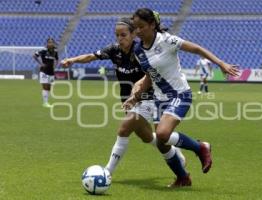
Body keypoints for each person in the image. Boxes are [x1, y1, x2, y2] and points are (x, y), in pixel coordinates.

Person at [60, 18, 188, 186]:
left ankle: (107, 173)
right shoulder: (114, 50)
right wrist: (73, 60)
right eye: (117, 35)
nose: (120, 38)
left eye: (123, 35)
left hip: (149, 97)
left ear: (134, 34)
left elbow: (151, 73)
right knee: (147, 137)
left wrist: (137, 90)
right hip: (128, 101)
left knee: (124, 128)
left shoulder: (140, 51)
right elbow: (92, 56)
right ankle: (175, 154)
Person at [123, 8, 239, 187]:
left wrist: (221, 63)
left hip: (179, 93)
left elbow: (197, 48)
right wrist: (135, 97)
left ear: (152, 25)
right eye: (135, 27)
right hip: (160, 99)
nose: (137, 31)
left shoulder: (167, 40)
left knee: (162, 133)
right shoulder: (138, 50)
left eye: (141, 26)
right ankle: (183, 178)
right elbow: (150, 76)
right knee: (162, 143)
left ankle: (200, 147)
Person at [33, 37, 58, 108]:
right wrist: (41, 64)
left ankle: (46, 102)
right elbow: (34, 56)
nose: (50, 43)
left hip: (51, 71)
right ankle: (45, 103)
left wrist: (55, 66)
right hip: (44, 71)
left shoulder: (55, 51)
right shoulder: (43, 50)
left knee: (49, 87)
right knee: (45, 86)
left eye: (52, 42)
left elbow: (57, 59)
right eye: (49, 42)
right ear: (47, 43)